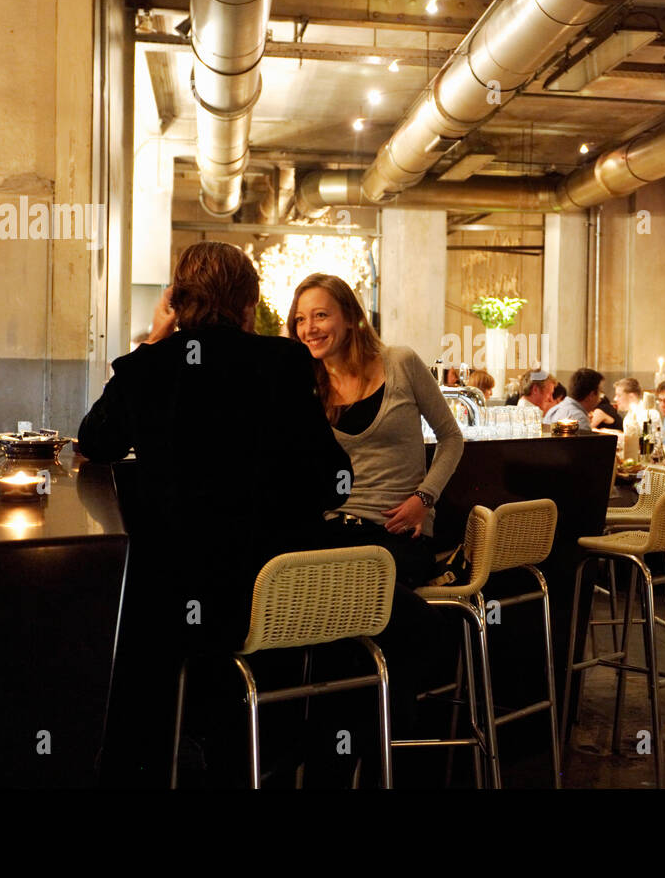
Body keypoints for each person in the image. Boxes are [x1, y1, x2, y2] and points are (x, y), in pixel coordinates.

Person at [76, 241, 353, 787]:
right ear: (249, 303)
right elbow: (334, 482)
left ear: (176, 301)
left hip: (172, 604)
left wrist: (155, 339)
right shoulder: (282, 362)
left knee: (135, 626)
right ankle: (260, 754)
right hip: (276, 597)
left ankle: (166, 754)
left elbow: (94, 440)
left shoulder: (149, 368)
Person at [288, 273, 464, 588]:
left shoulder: (401, 362)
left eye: (321, 315)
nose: (308, 328)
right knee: (287, 583)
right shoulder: (307, 385)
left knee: (355, 583)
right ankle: (428, 629)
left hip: (399, 533)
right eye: (300, 319)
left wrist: (424, 498)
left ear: (351, 318)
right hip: (335, 531)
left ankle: (430, 631)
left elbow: (451, 437)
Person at [545, 367, 603, 433]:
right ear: (591, 395)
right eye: (600, 392)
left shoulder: (553, 411)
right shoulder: (579, 419)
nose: (600, 398)